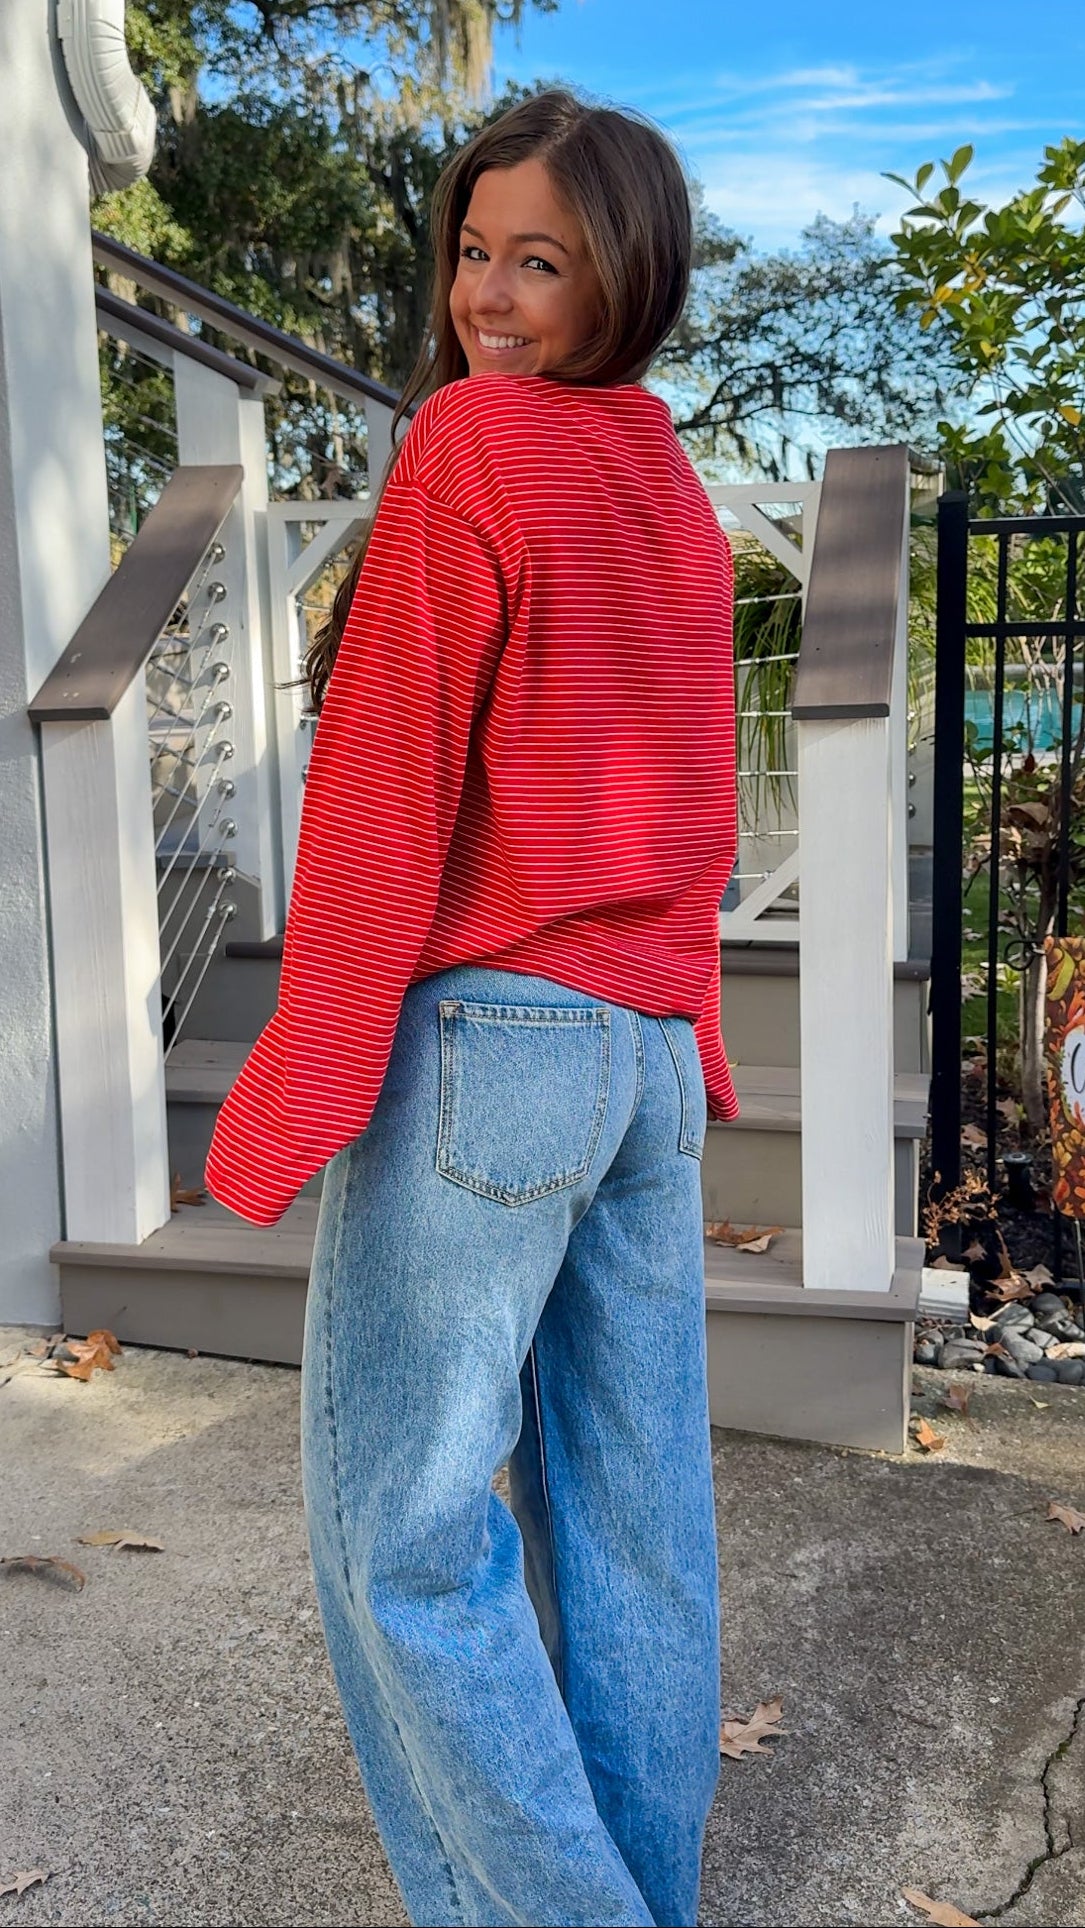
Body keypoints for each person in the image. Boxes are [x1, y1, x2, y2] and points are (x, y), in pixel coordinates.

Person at [205, 85, 738, 1928]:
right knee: (640, 1533)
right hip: (641, 1060)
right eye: (472, 251)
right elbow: (690, 788)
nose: (489, 298)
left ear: (627, 277)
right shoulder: (668, 481)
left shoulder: (470, 444)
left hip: (493, 1050)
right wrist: (689, 1033)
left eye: (543, 262)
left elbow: (383, 781)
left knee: (411, 1541)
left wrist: (301, 1072)